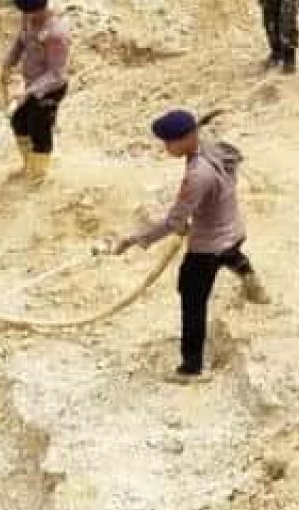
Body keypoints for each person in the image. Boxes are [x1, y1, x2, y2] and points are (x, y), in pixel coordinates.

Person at [114, 109, 269, 381]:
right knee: (231, 254)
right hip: (233, 230)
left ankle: (191, 367)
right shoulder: (215, 150)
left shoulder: (198, 174)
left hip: (207, 248)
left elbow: (174, 221)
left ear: (186, 139)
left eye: (169, 142)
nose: (166, 148)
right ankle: (251, 281)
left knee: (192, 301)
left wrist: (137, 239)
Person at [0, 0, 71, 184]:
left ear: (39, 10)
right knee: (19, 121)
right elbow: (20, 42)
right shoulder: (28, 20)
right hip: (31, 84)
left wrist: (29, 93)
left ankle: (37, 176)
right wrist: (8, 62)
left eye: (28, 13)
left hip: (50, 89)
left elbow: (56, 74)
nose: (25, 17)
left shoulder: (56, 34)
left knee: (39, 128)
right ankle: (28, 166)